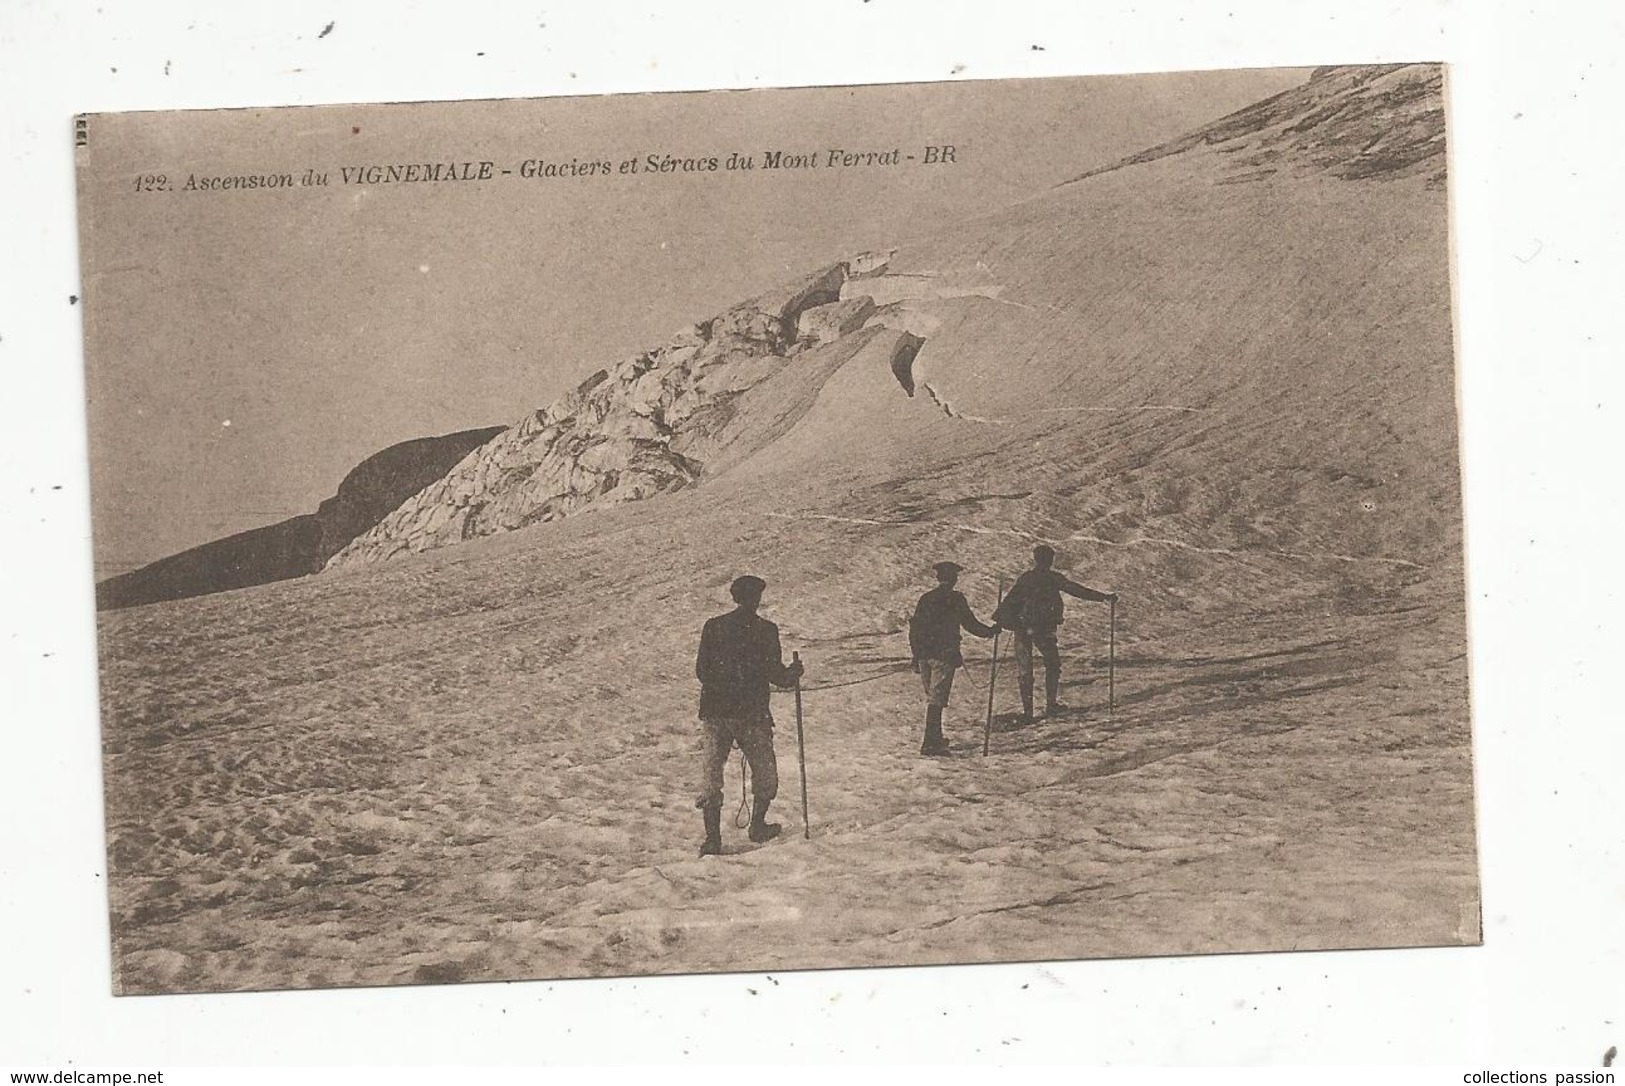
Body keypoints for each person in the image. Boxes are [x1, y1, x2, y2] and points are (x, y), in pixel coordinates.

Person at [693, 575, 804, 857]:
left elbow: (702, 672)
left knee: (711, 774)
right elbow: (777, 676)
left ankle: (713, 839)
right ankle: (757, 826)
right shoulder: (765, 630)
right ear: (756, 599)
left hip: (716, 712)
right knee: (764, 771)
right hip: (751, 713)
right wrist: (793, 674)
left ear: (733, 597)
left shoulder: (713, 626)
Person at [993, 544, 1117, 723]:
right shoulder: (1053, 578)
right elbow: (1077, 590)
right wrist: (1104, 597)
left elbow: (1010, 601)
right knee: (1052, 664)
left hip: (1022, 628)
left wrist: (1001, 620)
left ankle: (1028, 712)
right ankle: (1050, 705)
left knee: (1025, 670)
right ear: (1049, 560)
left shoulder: (1026, 578)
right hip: (1043, 629)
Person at [908, 561, 1000, 755]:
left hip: (925, 655)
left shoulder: (926, 598)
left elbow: (915, 628)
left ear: (938, 578)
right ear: (953, 579)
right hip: (944, 655)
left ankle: (936, 739)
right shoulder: (955, 598)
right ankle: (930, 744)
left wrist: (916, 655)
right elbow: (970, 624)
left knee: (933, 698)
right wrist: (990, 631)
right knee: (937, 699)